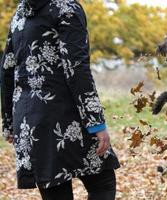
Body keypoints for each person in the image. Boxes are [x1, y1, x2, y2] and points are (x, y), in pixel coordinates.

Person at [0, 0, 120, 199]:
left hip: (29, 122)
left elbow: (6, 71)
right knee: (103, 183)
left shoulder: (21, 12)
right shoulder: (66, 9)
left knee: (56, 192)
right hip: (66, 114)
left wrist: (9, 122)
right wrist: (96, 123)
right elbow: (77, 69)